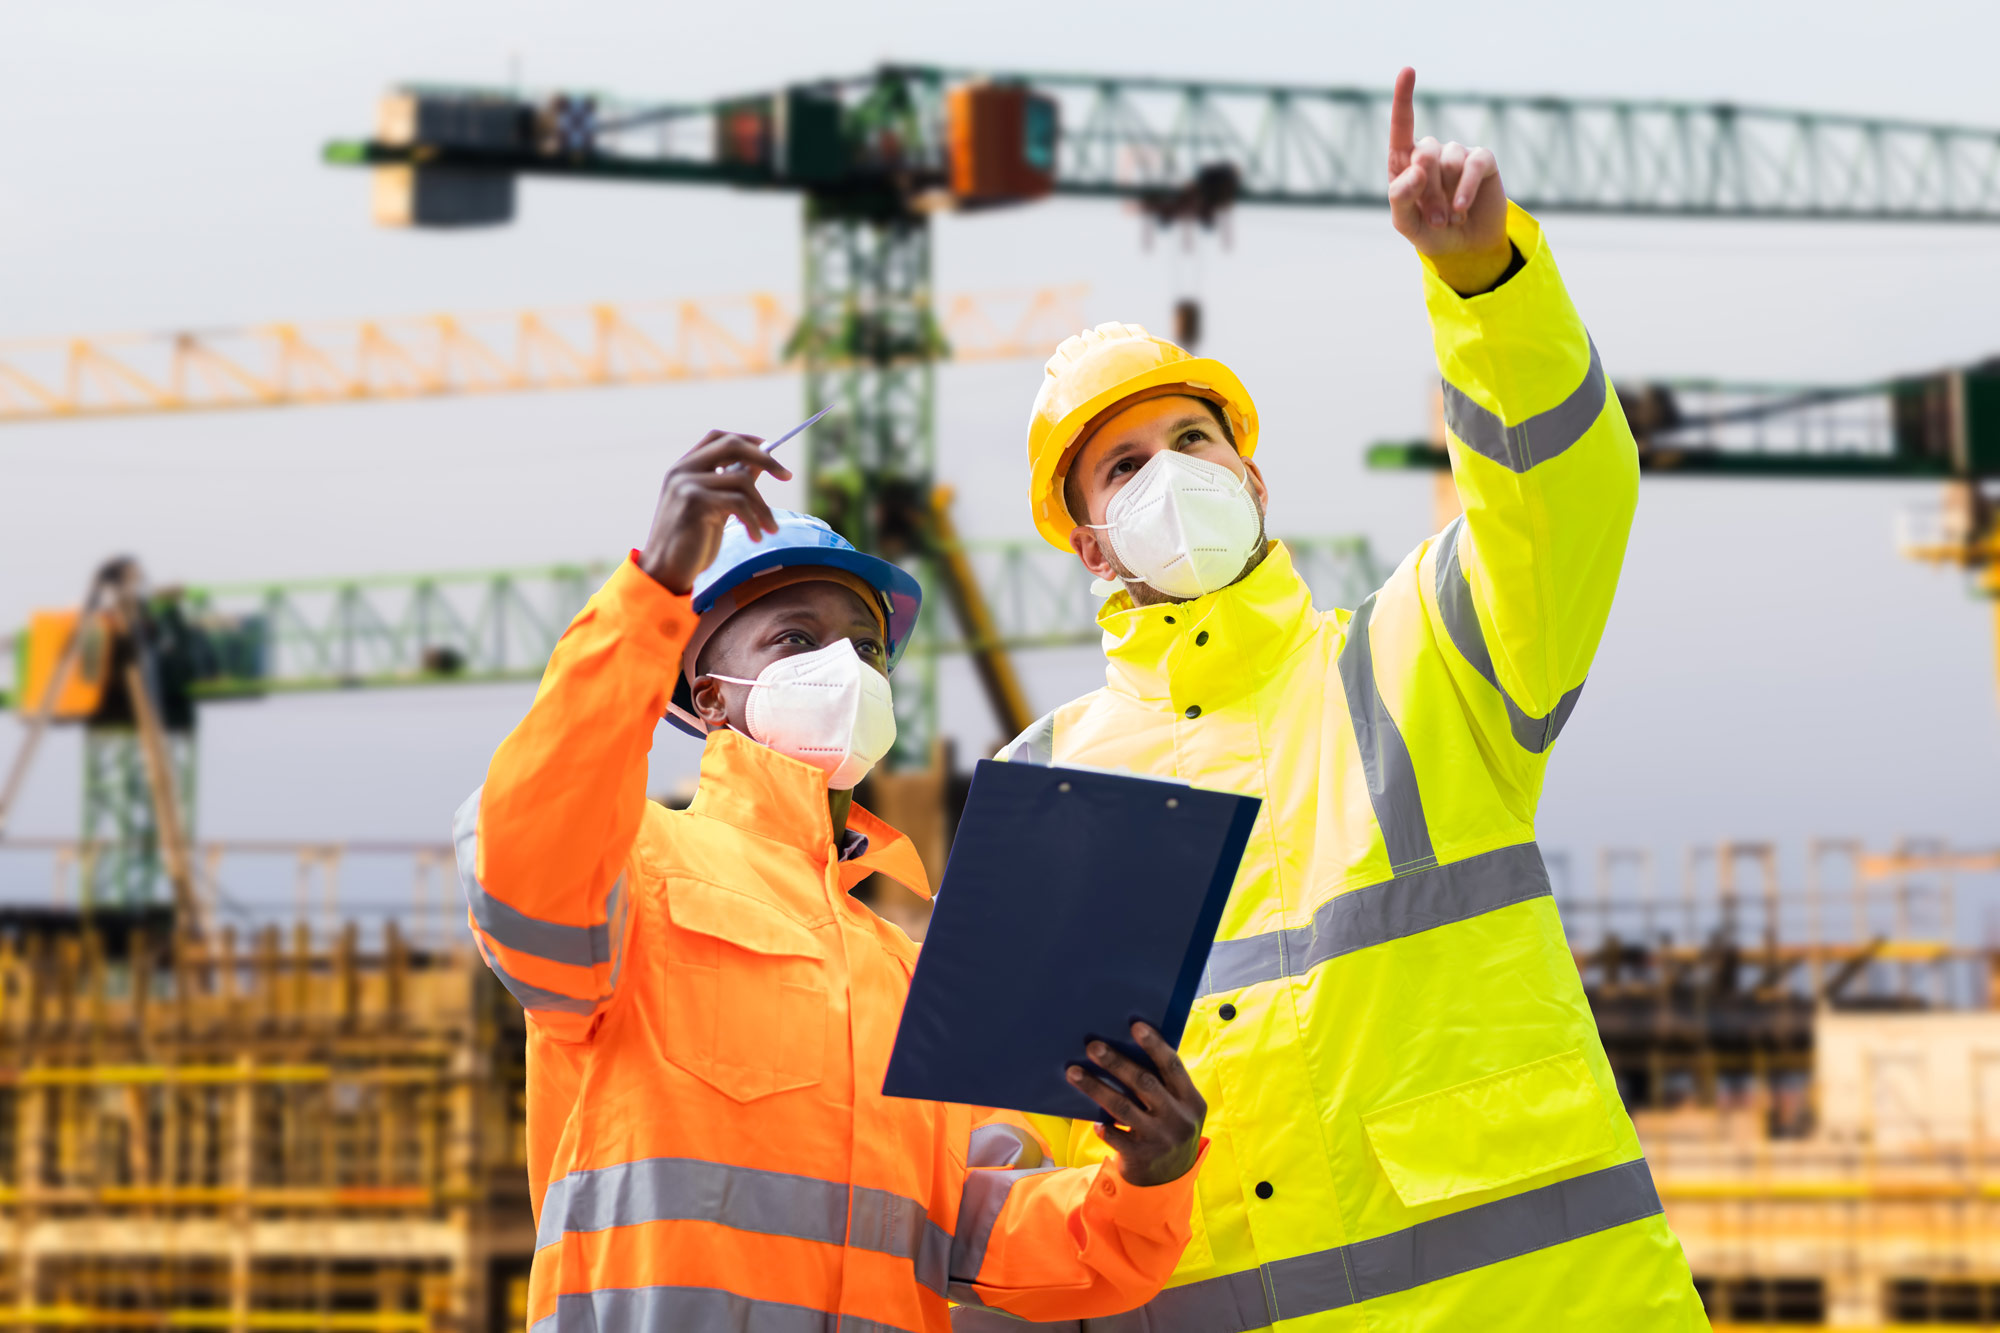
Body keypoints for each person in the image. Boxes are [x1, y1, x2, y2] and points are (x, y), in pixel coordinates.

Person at [975, 68, 1708, 1331]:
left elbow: (1556, 501)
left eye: (1191, 444)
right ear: (1090, 544)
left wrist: (1483, 285)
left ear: (1251, 475)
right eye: (1125, 467)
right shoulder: (1048, 784)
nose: (1170, 476)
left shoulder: (1414, 657)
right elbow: (1006, 1163)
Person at [454, 432, 1210, 1333]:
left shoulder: (910, 973)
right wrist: (651, 588)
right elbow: (529, 841)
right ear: (707, 695)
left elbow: (978, 1232)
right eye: (797, 638)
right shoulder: (632, 871)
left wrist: (1148, 1180)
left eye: (866, 649)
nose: (845, 669)